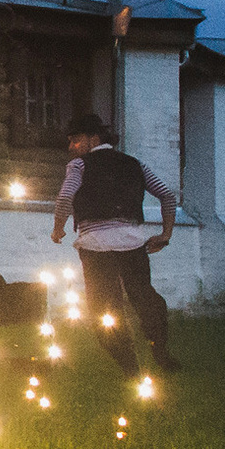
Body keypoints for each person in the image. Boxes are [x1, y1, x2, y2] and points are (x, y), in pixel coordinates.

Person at [49, 114, 181, 377]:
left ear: (93, 139)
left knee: (103, 308)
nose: (71, 147)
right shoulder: (135, 164)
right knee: (145, 298)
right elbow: (167, 195)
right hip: (132, 243)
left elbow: (65, 196)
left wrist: (58, 228)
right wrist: (165, 234)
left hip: (95, 246)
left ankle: (130, 367)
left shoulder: (79, 166)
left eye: (75, 140)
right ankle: (160, 352)